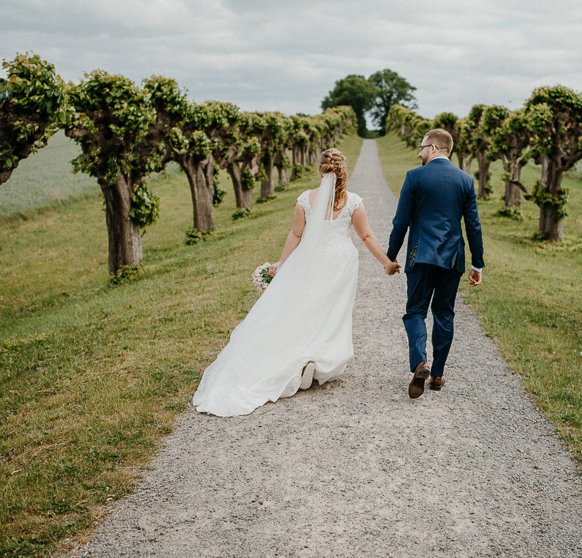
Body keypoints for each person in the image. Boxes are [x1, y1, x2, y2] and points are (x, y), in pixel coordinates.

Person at [193, 149, 399, 417]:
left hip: (311, 261)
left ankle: (302, 357)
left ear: (320, 170)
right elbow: (367, 235)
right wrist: (385, 262)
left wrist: (281, 263)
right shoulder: (353, 202)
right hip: (340, 263)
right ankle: (318, 359)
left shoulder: (305, 200)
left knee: (304, 308)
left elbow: (296, 234)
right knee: (332, 312)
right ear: (342, 170)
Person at [386, 129, 484, 398]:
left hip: (420, 256)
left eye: (421, 148)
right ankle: (438, 374)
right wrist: (478, 264)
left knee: (416, 311)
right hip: (452, 258)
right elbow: (473, 226)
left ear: (433, 147)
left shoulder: (415, 176)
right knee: (444, 314)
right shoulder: (465, 181)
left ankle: (420, 362)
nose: (419, 154)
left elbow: (401, 221)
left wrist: (390, 255)